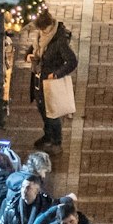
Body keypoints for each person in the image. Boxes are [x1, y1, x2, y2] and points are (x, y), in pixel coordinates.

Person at [29, 10, 79, 147]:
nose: (41, 31)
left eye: (42, 28)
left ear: (48, 26)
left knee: (52, 112)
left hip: (50, 82)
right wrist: (29, 55)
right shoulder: (41, 35)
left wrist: (56, 74)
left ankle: (56, 141)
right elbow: (35, 48)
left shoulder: (59, 40)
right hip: (39, 79)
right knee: (42, 109)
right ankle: (48, 135)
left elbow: (72, 61)